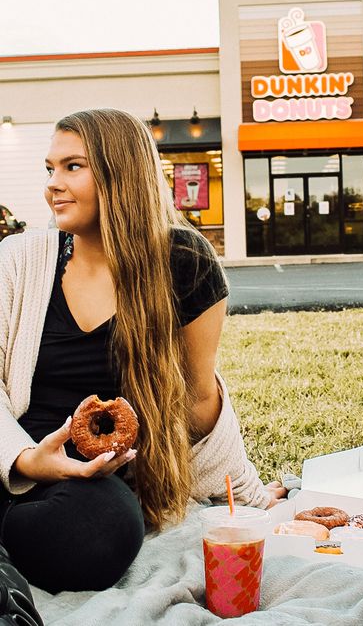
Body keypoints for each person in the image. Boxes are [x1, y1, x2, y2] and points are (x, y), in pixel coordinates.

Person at [0, 108, 286, 595]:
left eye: (73, 166)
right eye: (50, 168)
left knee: (105, 530)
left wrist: (249, 493)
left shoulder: (184, 262)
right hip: (11, 459)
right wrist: (26, 460)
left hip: (90, 488)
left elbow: (199, 400)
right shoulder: (19, 260)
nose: (54, 184)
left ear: (120, 173)